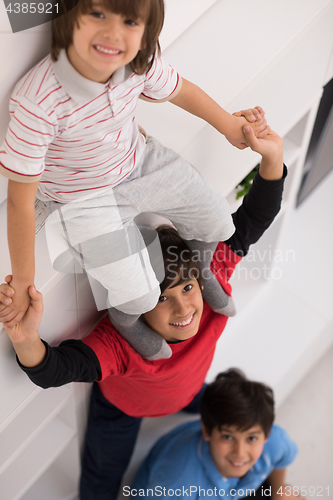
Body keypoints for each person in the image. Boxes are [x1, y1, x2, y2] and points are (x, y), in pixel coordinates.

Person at [0, 126, 285, 500]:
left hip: (189, 390)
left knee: (246, 412)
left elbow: (254, 218)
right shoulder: (119, 344)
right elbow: (55, 370)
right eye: (161, 299)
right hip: (123, 409)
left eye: (186, 288)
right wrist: (24, 338)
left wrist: (272, 155)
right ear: (136, 305)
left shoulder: (210, 276)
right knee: (101, 481)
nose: (184, 307)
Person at [0, 0, 269, 361]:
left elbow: (181, 90)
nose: (113, 33)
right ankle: (126, 322)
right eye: (97, 14)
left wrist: (227, 125)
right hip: (82, 200)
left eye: (129, 21)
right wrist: (22, 280)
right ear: (69, 16)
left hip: (140, 161)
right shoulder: (39, 102)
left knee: (218, 221)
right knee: (140, 296)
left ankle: (201, 272)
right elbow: (18, 199)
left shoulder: (137, 61)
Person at [131, 369, 303, 500]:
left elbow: (281, 459)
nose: (240, 453)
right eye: (227, 437)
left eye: (251, 438)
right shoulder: (175, 482)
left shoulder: (276, 442)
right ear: (207, 431)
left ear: (267, 435)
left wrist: (279, 492)